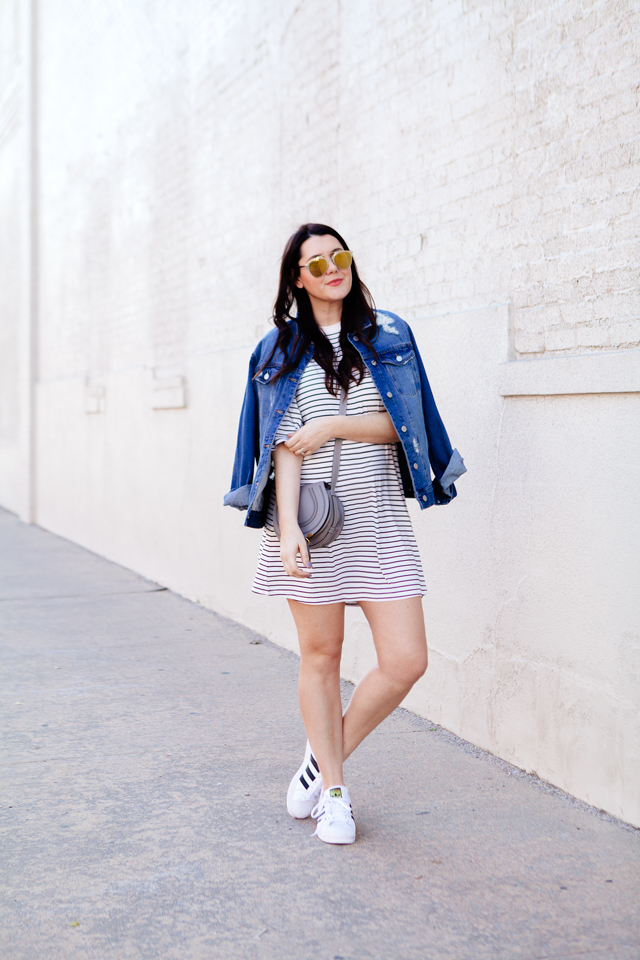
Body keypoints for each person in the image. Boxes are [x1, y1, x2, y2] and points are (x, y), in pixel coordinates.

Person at [224, 223, 465, 845]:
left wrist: (335, 426)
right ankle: (335, 792)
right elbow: (281, 447)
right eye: (317, 262)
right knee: (321, 658)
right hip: (311, 523)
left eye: (341, 255)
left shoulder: (389, 337)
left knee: (407, 660)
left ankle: (322, 755)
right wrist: (286, 535)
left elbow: (403, 426)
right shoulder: (276, 352)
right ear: (297, 279)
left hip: (379, 521)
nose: (333, 267)